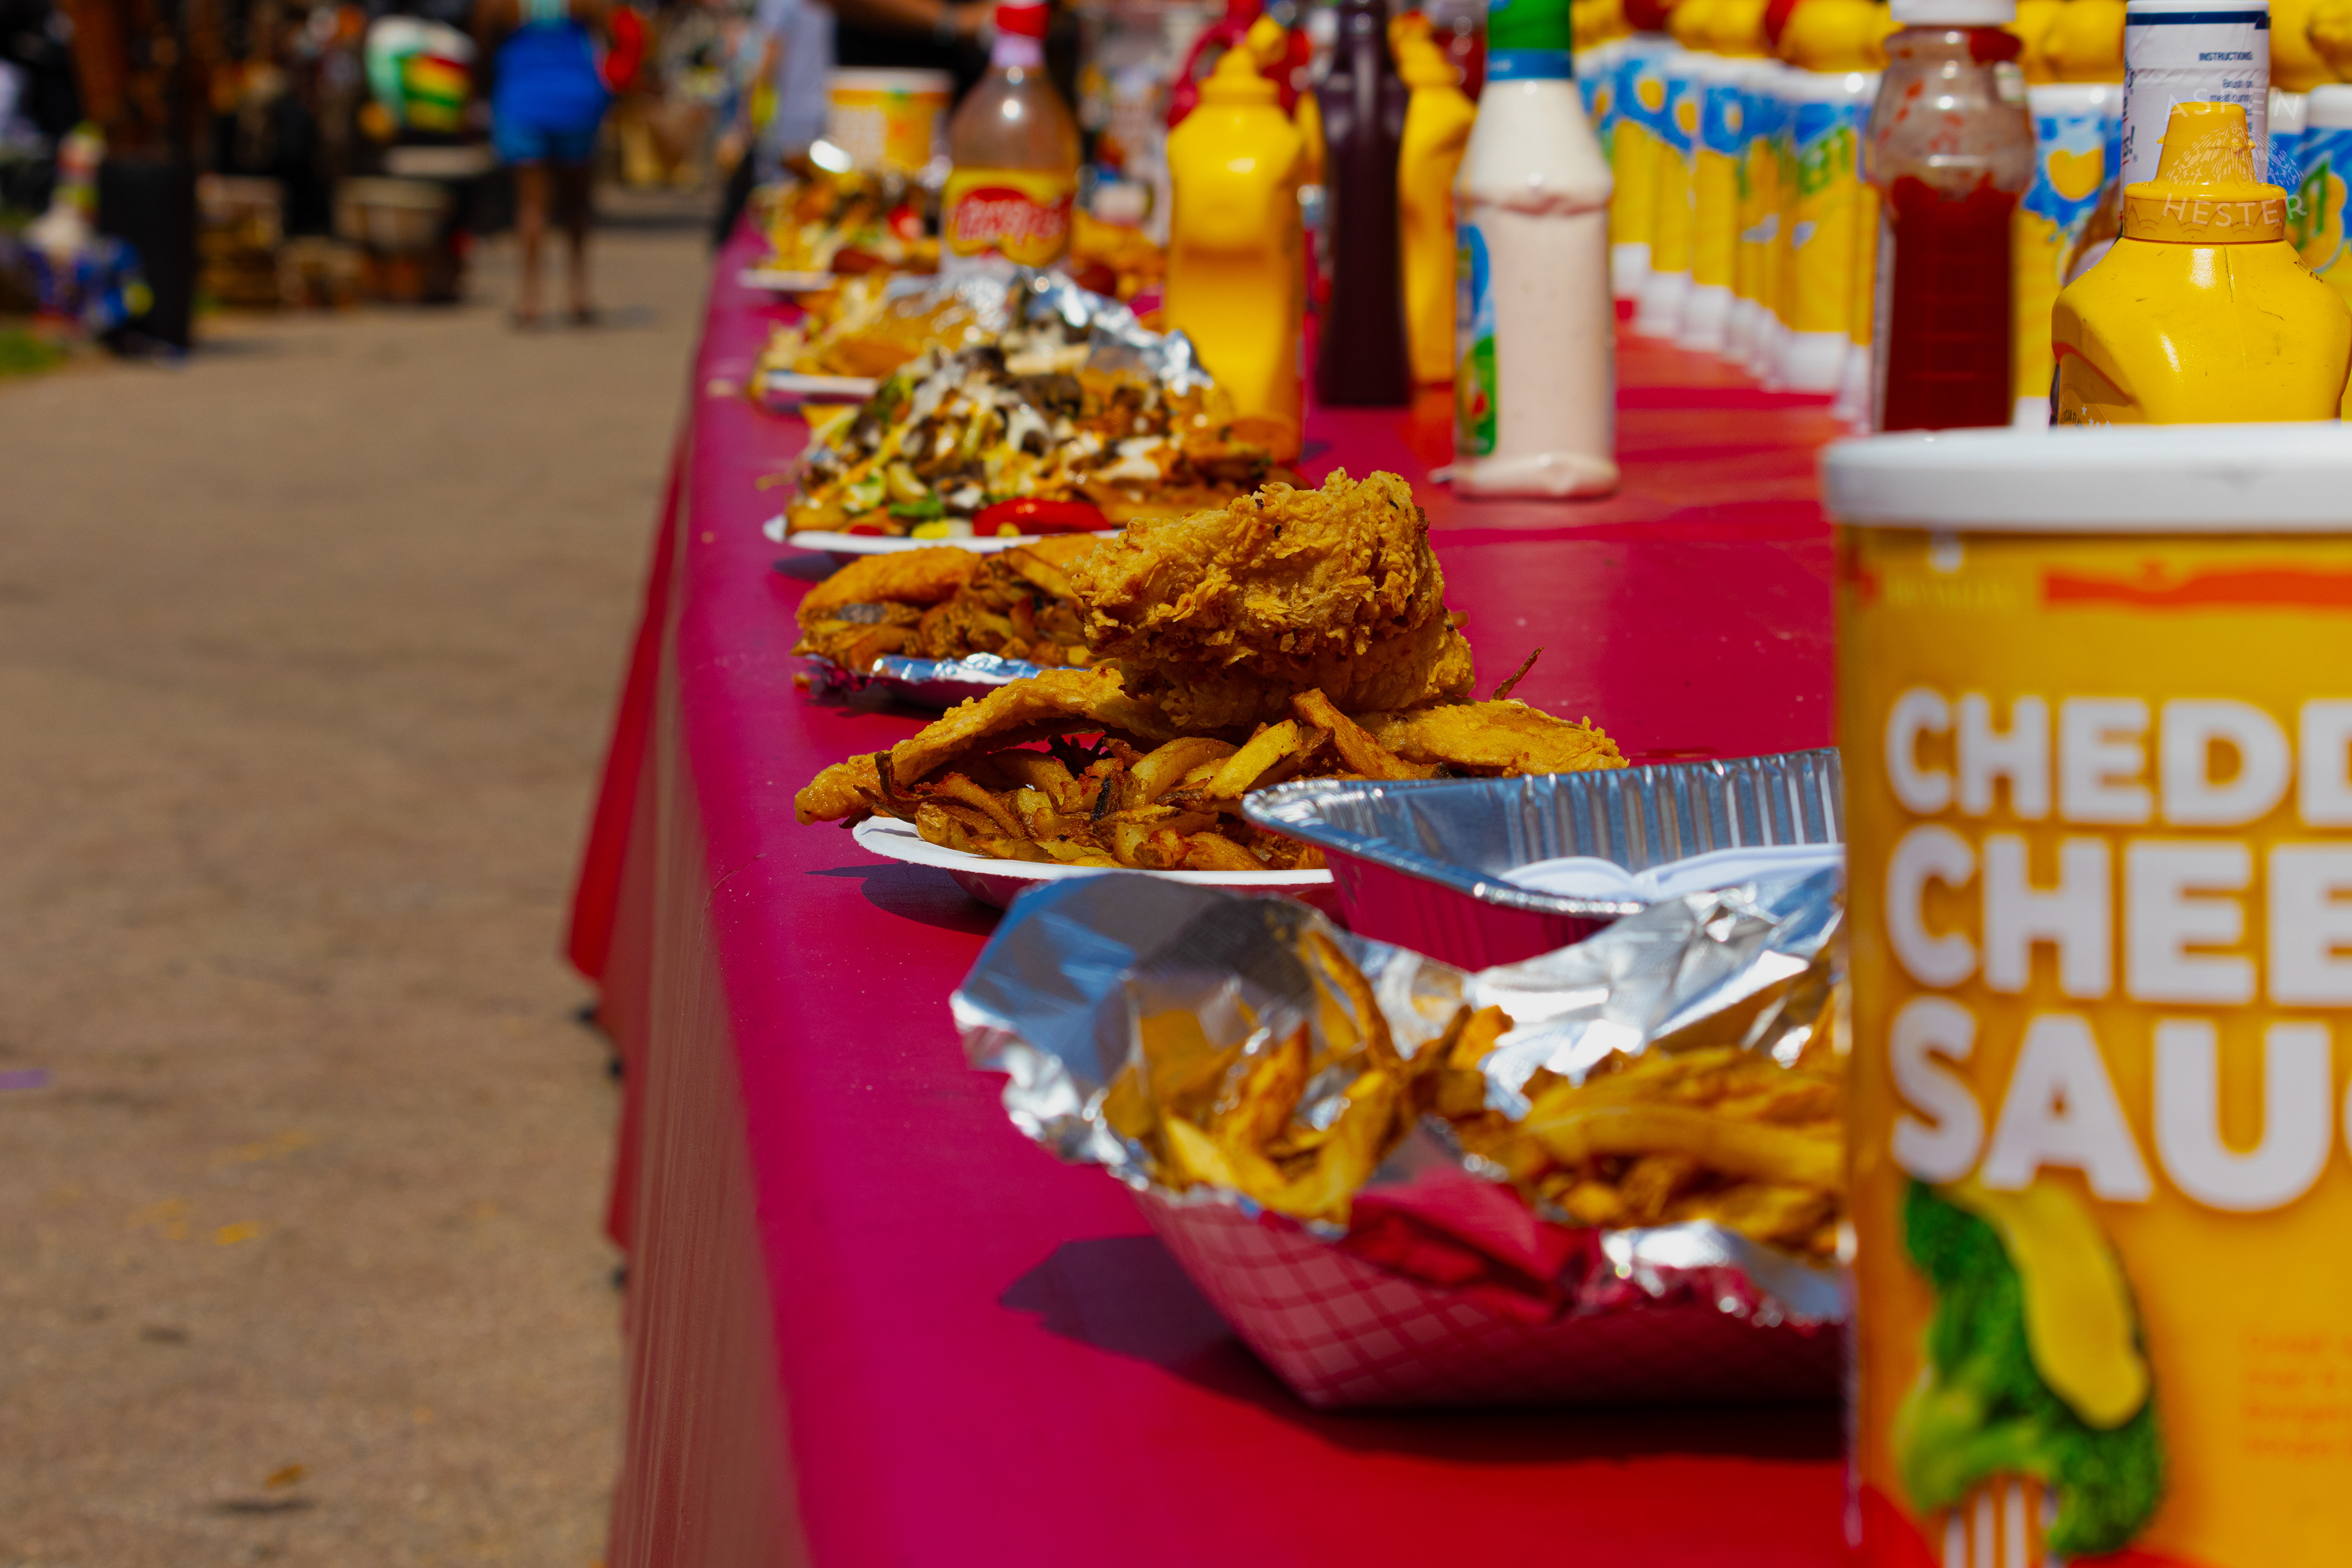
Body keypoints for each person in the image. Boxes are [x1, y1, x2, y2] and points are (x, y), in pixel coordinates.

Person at [475, 0, 612, 324]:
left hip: (523, 98)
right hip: (577, 98)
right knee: (577, 203)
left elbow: (482, 33)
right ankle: (578, 294)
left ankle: (530, 298)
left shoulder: (504, 5)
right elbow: (611, 27)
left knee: (531, 206)